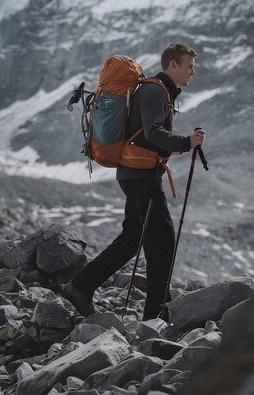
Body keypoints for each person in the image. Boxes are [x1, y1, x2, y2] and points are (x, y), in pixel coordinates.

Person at [62, 43, 205, 319]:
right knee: (162, 240)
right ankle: (156, 316)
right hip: (141, 177)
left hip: (135, 174)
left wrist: (176, 145)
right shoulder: (155, 91)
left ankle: (80, 286)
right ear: (172, 65)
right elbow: (153, 133)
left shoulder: (156, 90)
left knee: (133, 239)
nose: (193, 72)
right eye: (189, 66)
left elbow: (145, 136)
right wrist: (187, 142)